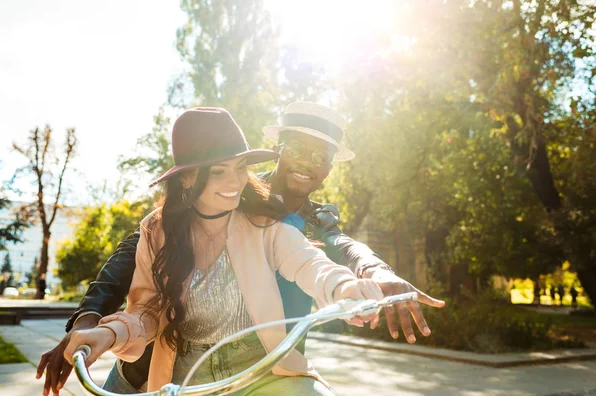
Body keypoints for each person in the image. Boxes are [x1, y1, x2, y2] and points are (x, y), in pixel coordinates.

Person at [37, 102, 445, 395]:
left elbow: (321, 259)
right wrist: (95, 328)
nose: (233, 180)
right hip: (170, 361)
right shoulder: (180, 219)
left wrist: (360, 283)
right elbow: (140, 288)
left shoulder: (275, 221)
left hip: (267, 366)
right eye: (219, 171)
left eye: (322, 156)